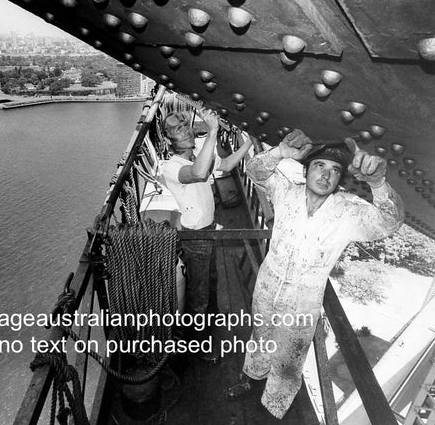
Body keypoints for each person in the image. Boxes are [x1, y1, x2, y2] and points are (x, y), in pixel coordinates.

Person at [231, 129, 404, 418]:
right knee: (260, 336)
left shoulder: (348, 213)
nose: (325, 175)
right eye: (319, 166)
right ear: (307, 170)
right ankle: (252, 377)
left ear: (340, 179)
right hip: (267, 288)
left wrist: (378, 182)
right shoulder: (286, 191)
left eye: (334, 170)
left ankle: (273, 407)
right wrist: (279, 153)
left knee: (289, 361)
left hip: (303, 305)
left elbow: (390, 221)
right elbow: (255, 171)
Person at [160, 109, 253, 360]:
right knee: (199, 293)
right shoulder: (173, 167)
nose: (186, 129)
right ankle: (198, 348)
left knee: (211, 281)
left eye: (185, 124)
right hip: (195, 237)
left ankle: (208, 323)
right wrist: (213, 130)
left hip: (210, 230)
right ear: (168, 141)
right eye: (177, 129)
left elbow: (227, 164)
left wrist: (250, 142)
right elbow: (200, 173)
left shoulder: (198, 158)